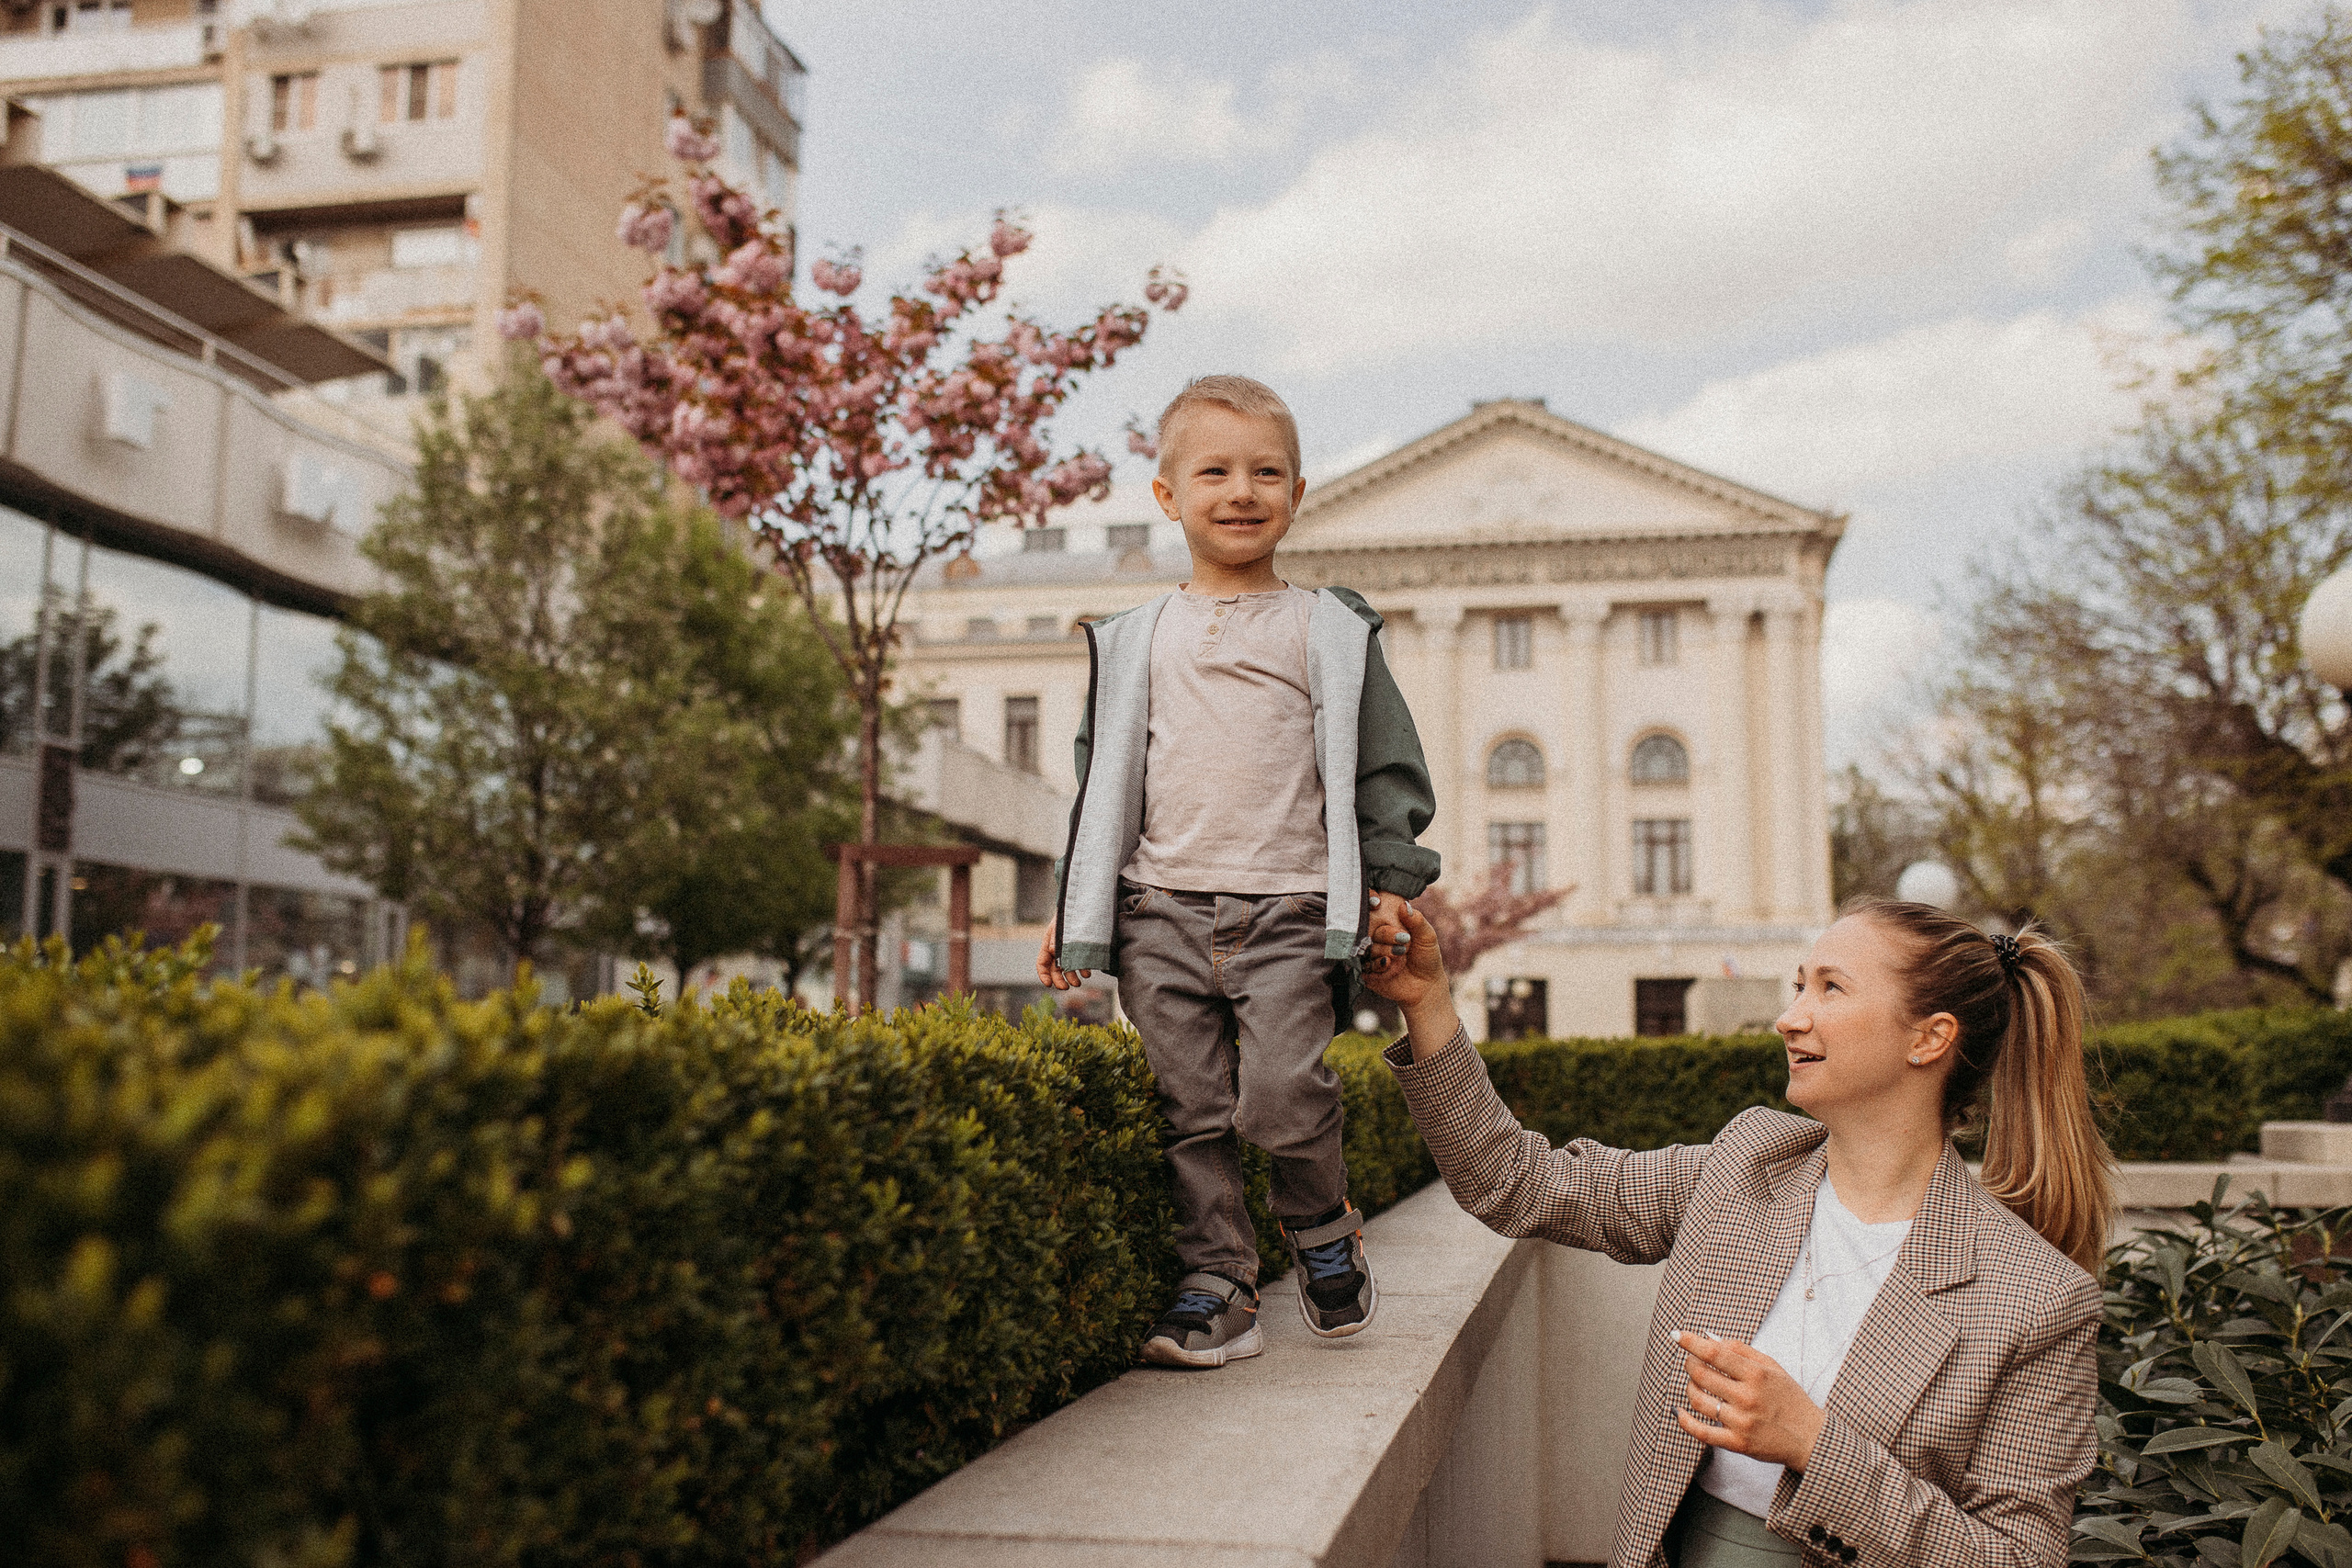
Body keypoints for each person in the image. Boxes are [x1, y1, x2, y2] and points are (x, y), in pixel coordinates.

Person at [1359, 896, 2114, 1567]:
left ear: (1929, 1038)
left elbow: (2017, 1555)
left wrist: (1815, 1445)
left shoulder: (2039, 1299)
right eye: (1797, 984)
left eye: (1830, 987)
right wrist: (1427, 1002)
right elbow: (1516, 1182)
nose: (1790, 1015)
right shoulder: (1747, 1164)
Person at [1038, 374, 1440, 1369]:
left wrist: (1389, 877)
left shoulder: (1327, 629)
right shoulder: (1136, 638)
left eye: (1266, 471)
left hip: (1292, 907)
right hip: (1160, 909)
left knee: (1278, 1092)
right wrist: (1073, 911)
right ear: (1168, 496)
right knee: (1189, 1111)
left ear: (1297, 494)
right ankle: (1218, 1285)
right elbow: (1102, 791)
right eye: (1213, 471)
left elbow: (1384, 761)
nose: (1241, 490)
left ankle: (1319, 1229)